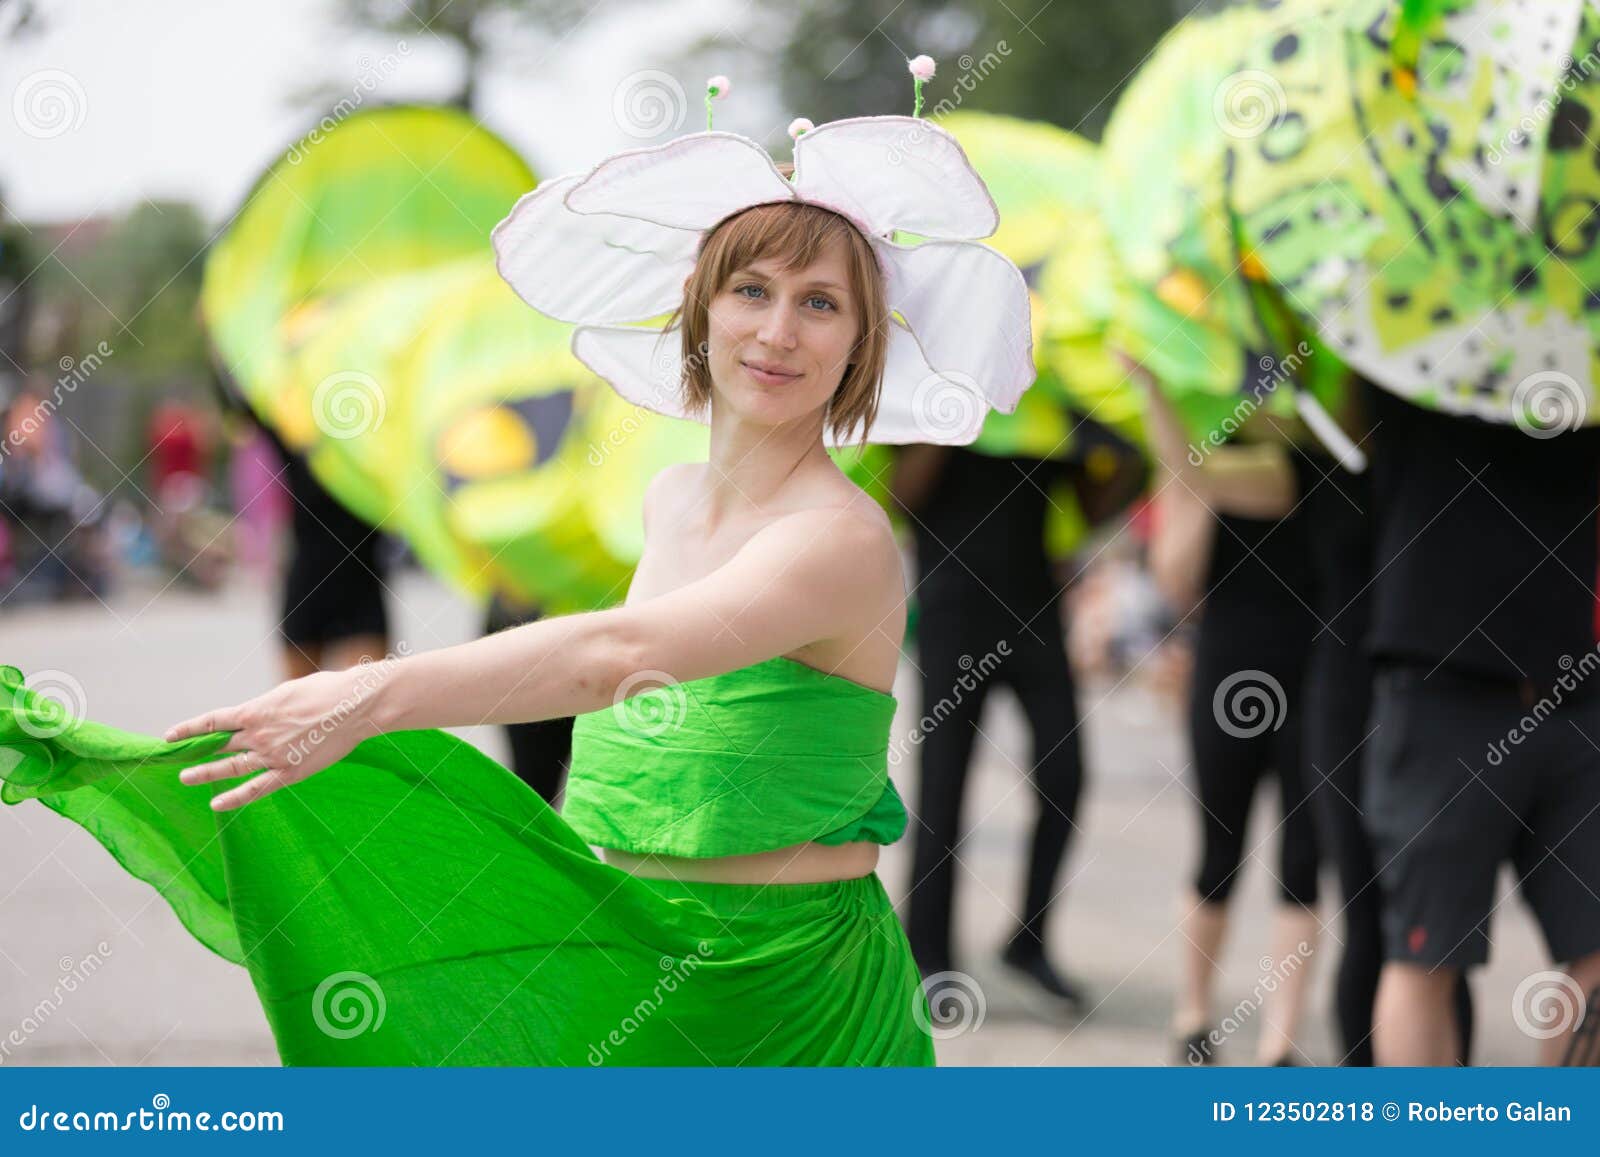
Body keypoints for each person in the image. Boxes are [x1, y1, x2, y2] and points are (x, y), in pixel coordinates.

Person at [0, 82, 1035, 1065]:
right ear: (699, 307)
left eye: (820, 304)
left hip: (785, 992)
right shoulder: (669, 497)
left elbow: (619, 656)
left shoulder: (840, 539)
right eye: (751, 290)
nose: (776, 330)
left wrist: (368, 693)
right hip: (614, 949)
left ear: (861, 344)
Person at [1361, 381, 1600, 1066]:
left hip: (1574, 679)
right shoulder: (1401, 336)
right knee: (1425, 953)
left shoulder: (1580, 329)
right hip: (1441, 677)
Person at [1141, 375, 1321, 1066]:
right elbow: (1173, 578)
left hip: (1315, 666)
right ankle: (1193, 1016)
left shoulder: (1324, 444)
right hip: (1229, 669)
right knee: (1219, 847)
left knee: (1305, 856)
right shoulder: (1202, 450)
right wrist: (1189, 471)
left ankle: (1282, 1042)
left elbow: (1281, 488)